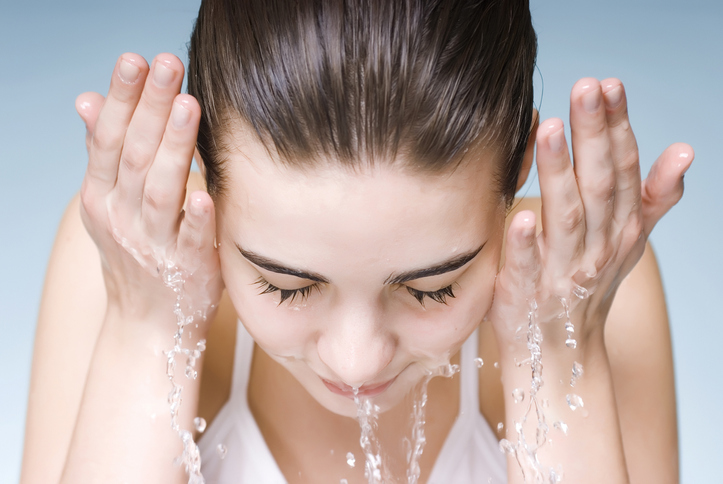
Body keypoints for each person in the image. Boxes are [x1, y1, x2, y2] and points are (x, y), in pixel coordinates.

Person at [20, 0, 691, 483]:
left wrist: (553, 342)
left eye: (433, 288)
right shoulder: (129, 260)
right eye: (285, 285)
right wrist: (148, 325)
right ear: (209, 183)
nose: (356, 361)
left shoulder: (579, 280)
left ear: (516, 175)